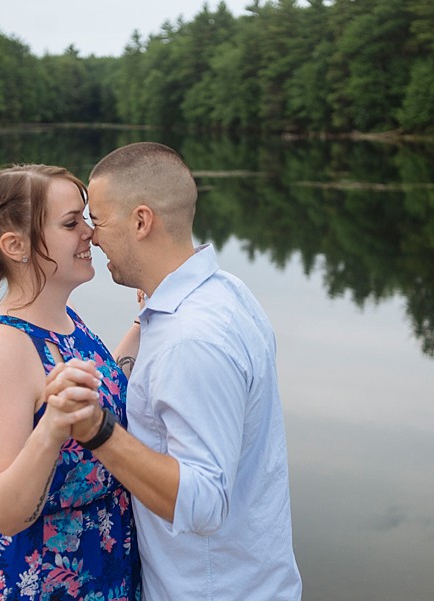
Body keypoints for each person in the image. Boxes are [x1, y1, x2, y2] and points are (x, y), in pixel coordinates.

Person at [53, 142, 302, 600]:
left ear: (141, 221)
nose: (91, 235)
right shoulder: (225, 293)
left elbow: (203, 503)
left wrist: (100, 433)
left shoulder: (190, 339)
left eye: (99, 220)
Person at [0, 164, 142, 601]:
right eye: (70, 222)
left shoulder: (64, 320)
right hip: (38, 582)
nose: (91, 234)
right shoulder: (2, 346)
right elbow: (3, 510)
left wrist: (143, 323)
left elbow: (95, 392)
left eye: (86, 220)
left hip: (105, 569)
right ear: (15, 245)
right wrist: (52, 428)